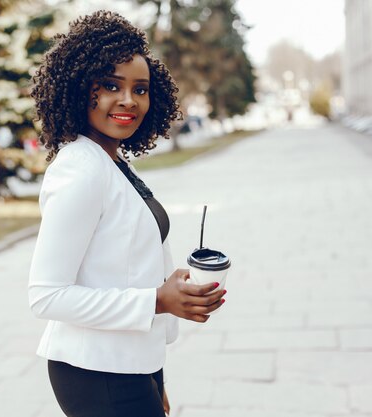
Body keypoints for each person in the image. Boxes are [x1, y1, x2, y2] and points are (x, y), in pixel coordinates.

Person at [28, 10, 226, 417]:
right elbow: (46, 296)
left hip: (132, 364)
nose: (128, 100)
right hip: (96, 372)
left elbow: (123, 264)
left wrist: (157, 376)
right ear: (80, 88)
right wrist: (158, 300)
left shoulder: (112, 161)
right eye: (110, 86)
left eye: (140, 89)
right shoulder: (80, 168)